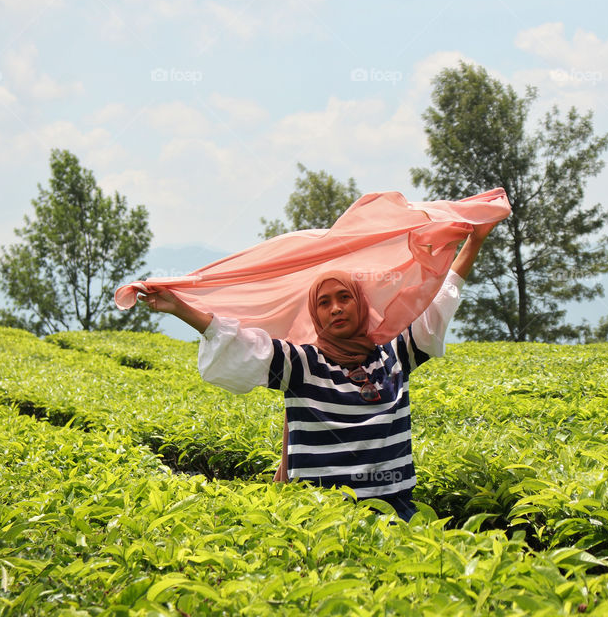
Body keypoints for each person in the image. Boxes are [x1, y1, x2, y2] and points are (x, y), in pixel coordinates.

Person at [139, 223, 494, 521]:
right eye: (324, 303)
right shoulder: (303, 363)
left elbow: (441, 303)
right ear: (315, 314)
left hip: (396, 509)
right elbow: (242, 345)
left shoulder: (393, 356)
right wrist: (180, 308)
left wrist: (474, 241)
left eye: (344, 297)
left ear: (361, 303)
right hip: (322, 516)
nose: (336, 308)